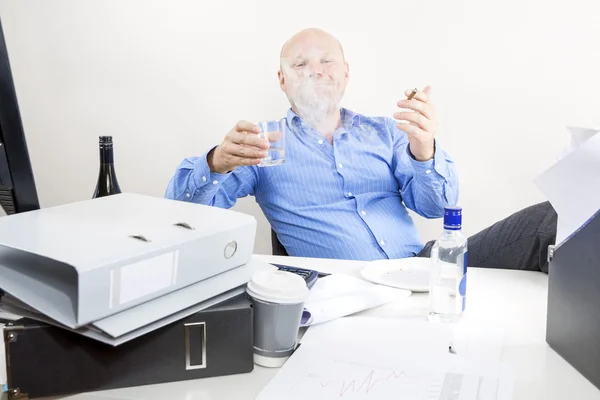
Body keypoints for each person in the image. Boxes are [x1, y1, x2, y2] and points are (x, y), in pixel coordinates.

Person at [165, 28, 557, 273]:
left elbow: (438, 208)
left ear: (345, 72)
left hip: (424, 267)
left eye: (326, 61)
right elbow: (182, 217)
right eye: (300, 64)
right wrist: (215, 163)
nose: (316, 71)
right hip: (346, 289)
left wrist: (424, 150)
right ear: (282, 80)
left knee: (554, 218)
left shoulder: (384, 131)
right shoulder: (266, 142)